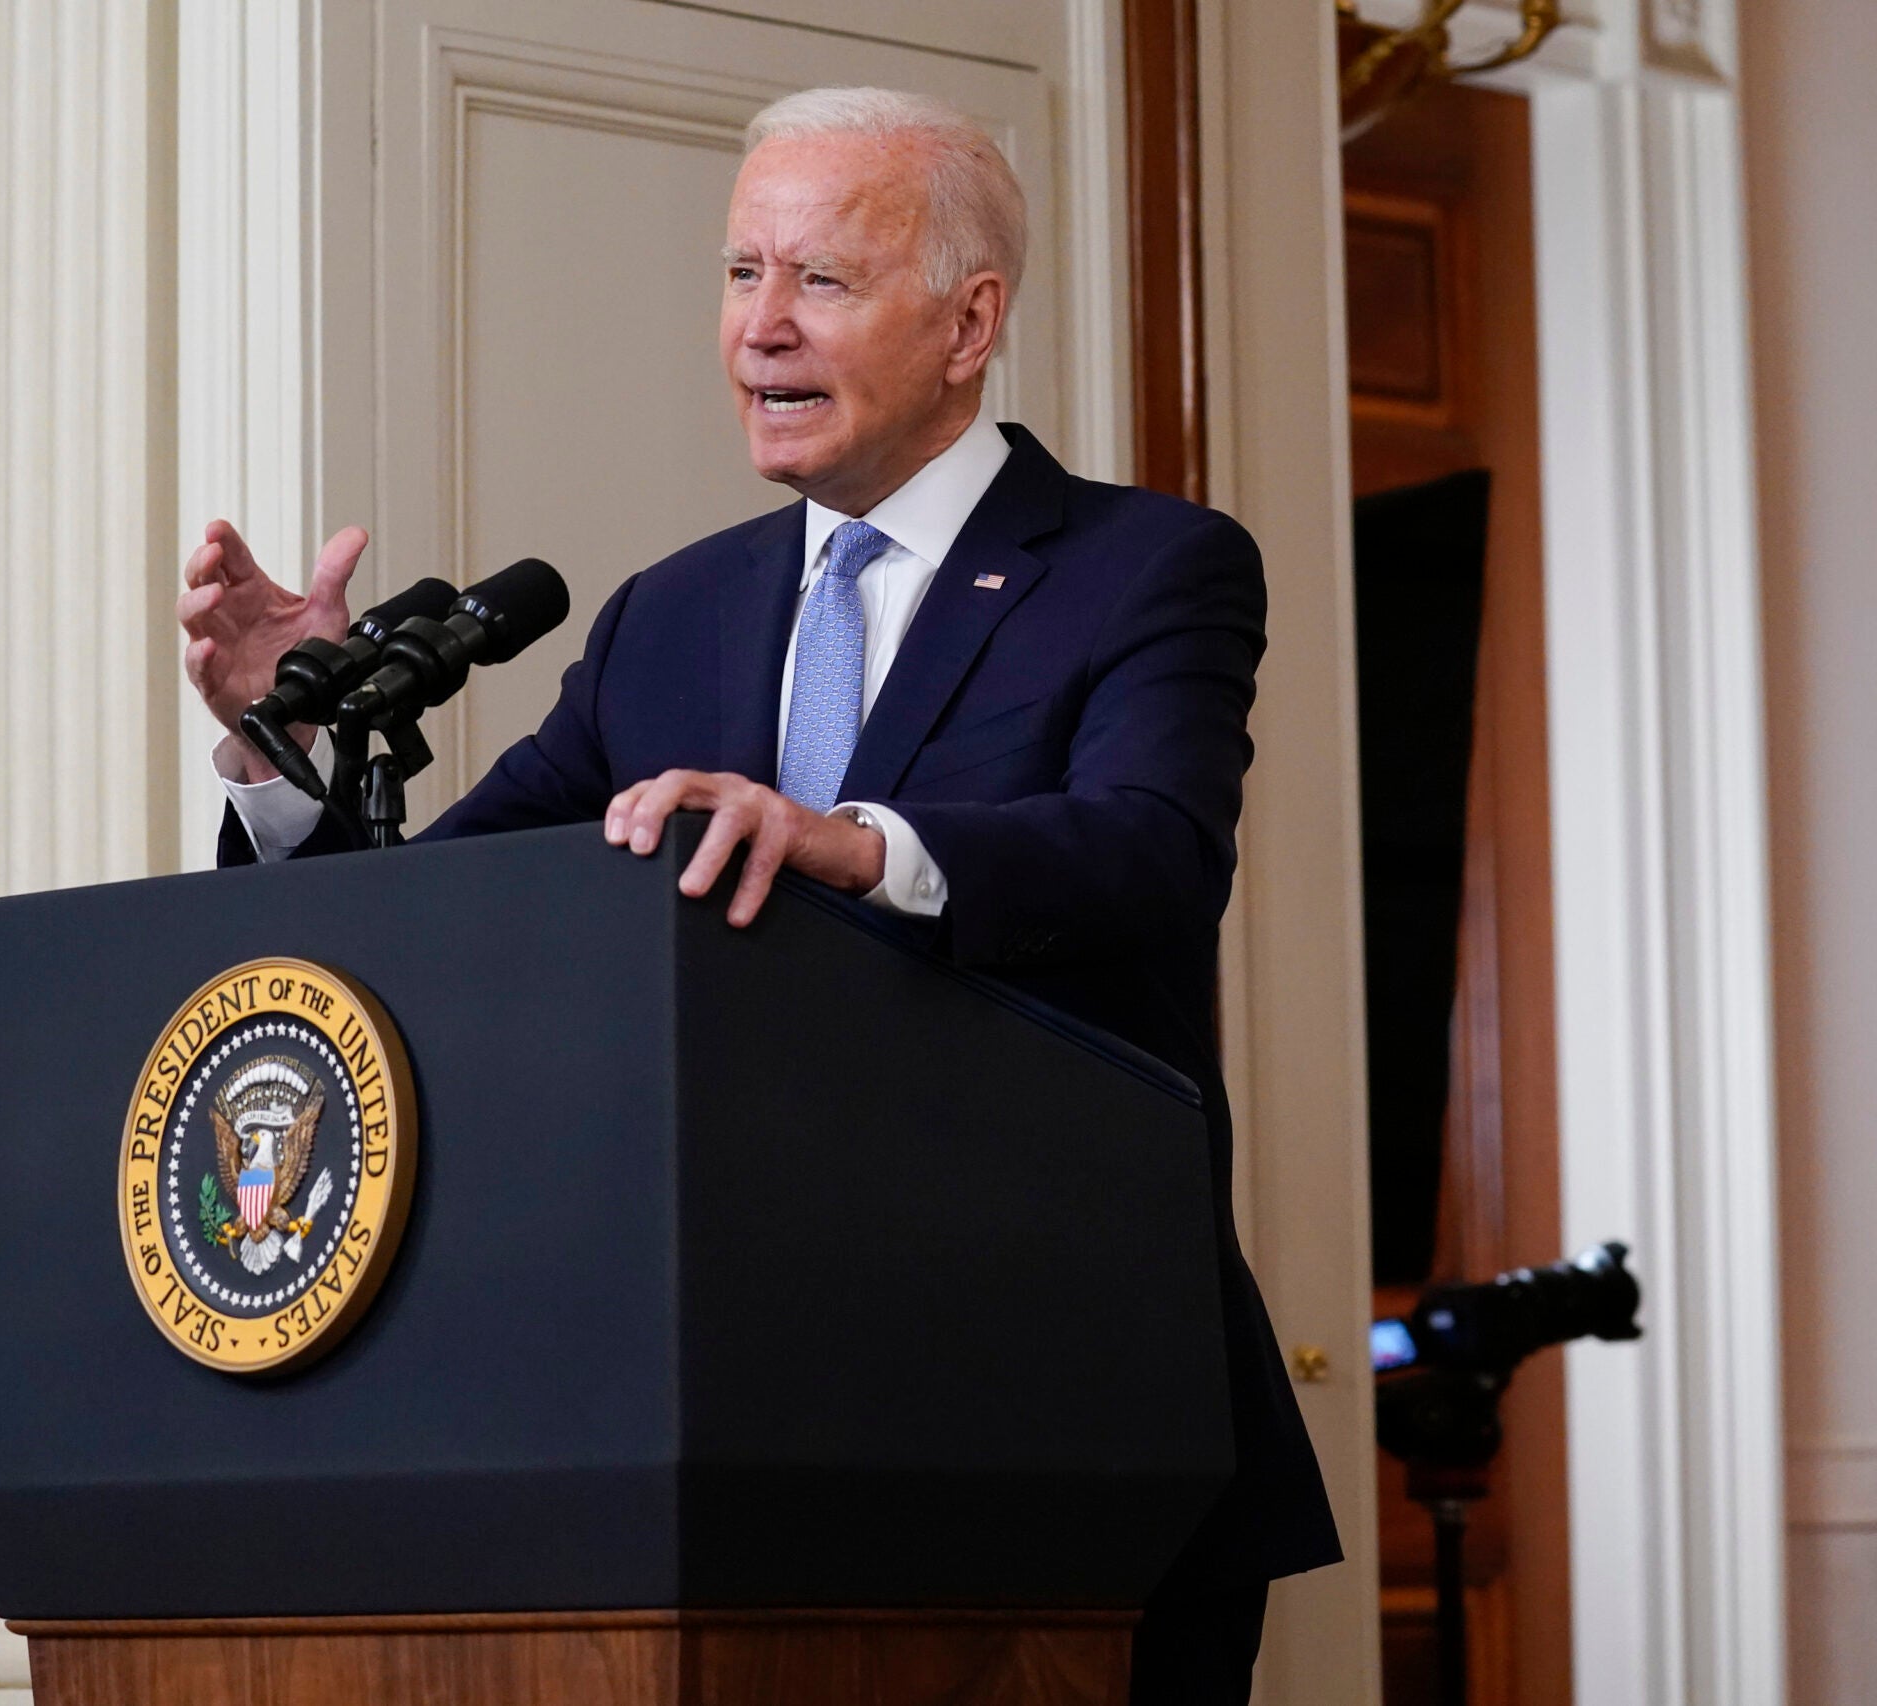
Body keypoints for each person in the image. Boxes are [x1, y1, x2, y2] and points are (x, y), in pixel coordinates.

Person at [176, 85, 1338, 1701]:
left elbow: (1152, 855)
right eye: (740, 273)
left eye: (821, 280)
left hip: (1064, 1430)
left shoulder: (1144, 567)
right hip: (711, 1448)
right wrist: (289, 750)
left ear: (969, 322)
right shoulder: (670, 615)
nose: (760, 327)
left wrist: (851, 841)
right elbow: (440, 934)